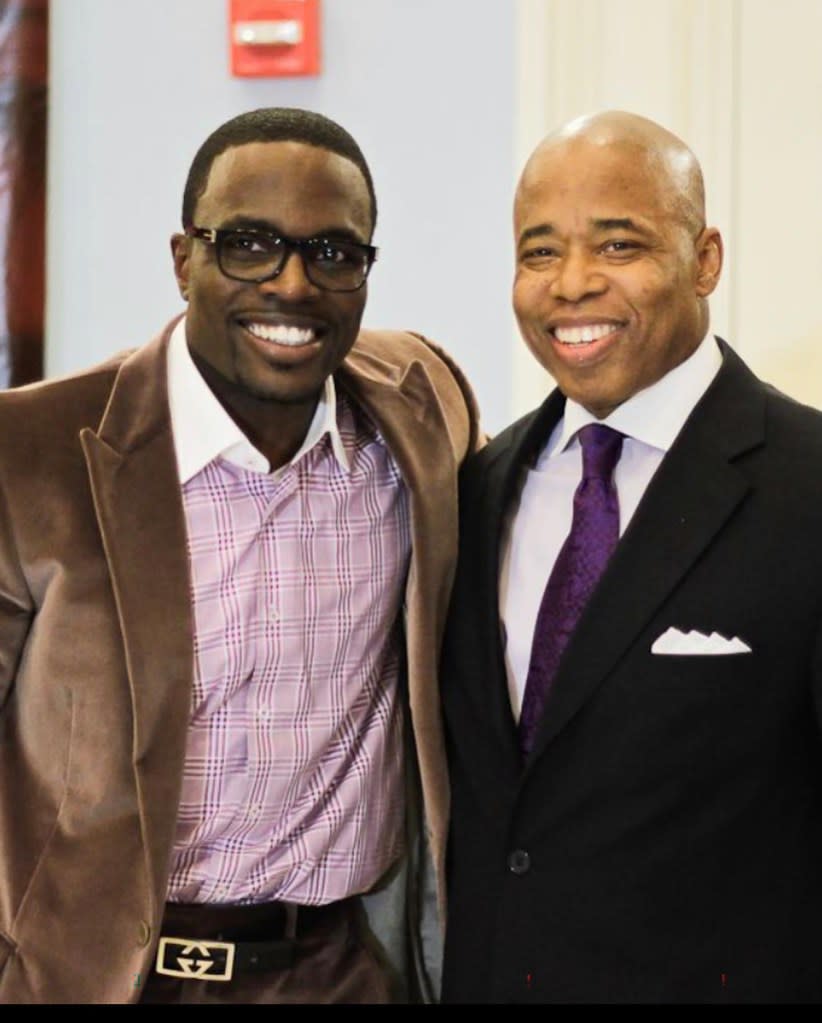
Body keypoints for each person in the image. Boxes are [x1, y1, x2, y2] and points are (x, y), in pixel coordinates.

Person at [0, 107, 481, 1004]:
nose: (293, 286)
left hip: (336, 972)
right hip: (97, 979)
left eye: (334, 253)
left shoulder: (419, 423)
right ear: (184, 259)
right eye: (250, 245)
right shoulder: (31, 456)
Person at [440, 109, 822, 1003]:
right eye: (539, 253)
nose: (572, 284)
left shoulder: (810, 489)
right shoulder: (471, 489)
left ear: (706, 258)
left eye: (619, 245)